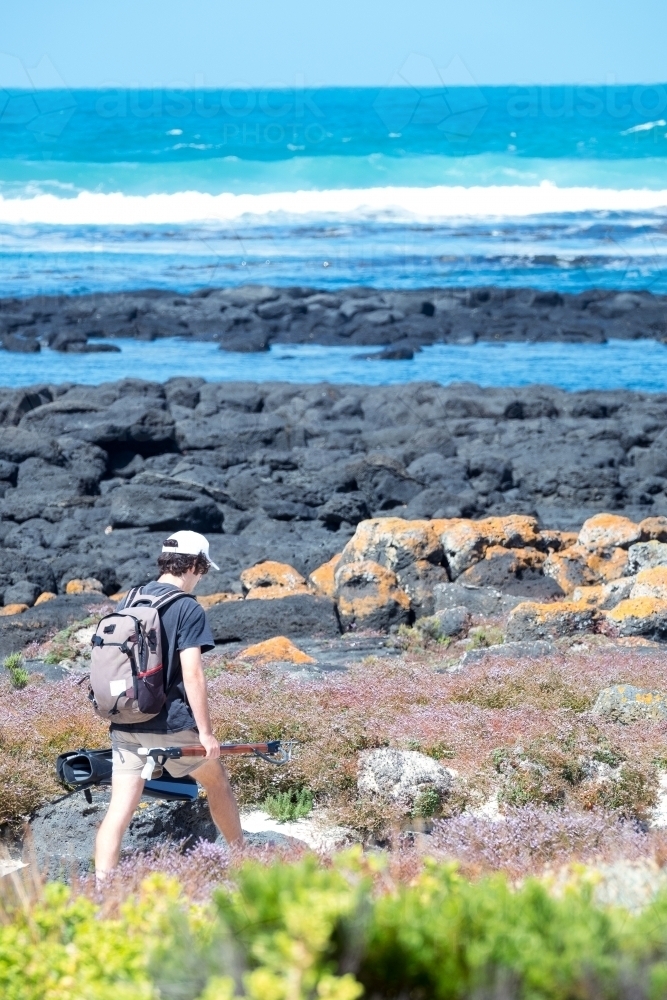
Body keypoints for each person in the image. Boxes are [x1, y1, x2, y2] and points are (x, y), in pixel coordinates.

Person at [95, 530, 243, 878]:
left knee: (118, 810)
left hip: (125, 723)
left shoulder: (129, 599)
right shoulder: (186, 607)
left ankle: (100, 889)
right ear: (193, 564)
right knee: (217, 780)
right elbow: (193, 675)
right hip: (171, 725)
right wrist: (206, 734)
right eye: (203, 569)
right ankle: (243, 865)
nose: (202, 577)